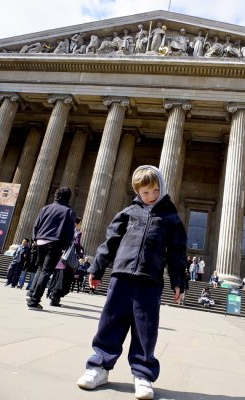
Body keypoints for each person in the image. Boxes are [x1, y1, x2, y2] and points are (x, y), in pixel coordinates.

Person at [76, 165, 187, 400]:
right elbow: (110, 243)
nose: (150, 197)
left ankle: (143, 374)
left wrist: (179, 281)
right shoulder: (128, 213)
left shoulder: (170, 217)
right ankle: (99, 367)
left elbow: (176, 252)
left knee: (145, 329)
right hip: (122, 275)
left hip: (150, 279)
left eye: (155, 191)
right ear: (137, 192)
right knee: (110, 322)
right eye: (145, 193)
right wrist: (96, 268)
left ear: (162, 188)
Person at [26, 187, 75, 310]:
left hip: (40, 242)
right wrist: (65, 246)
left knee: (41, 269)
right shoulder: (68, 211)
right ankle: (34, 300)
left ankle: (31, 293)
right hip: (54, 244)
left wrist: (35, 240)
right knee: (46, 272)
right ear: (68, 198)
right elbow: (69, 232)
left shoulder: (45, 208)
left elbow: (36, 225)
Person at [47, 217, 83, 306]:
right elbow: (77, 244)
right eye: (80, 224)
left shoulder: (63, 229)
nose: (80, 226)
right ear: (76, 224)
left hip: (59, 257)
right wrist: (79, 254)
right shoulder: (77, 233)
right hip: (67, 260)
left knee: (56, 277)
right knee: (64, 279)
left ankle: (52, 296)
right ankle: (55, 299)